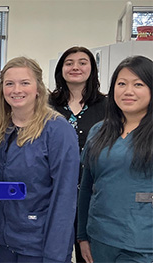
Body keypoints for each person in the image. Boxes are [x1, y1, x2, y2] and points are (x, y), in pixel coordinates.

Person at [0, 56, 79, 262]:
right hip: (2, 242)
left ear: (38, 88)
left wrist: (55, 253)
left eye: (24, 83)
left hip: (39, 245)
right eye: (9, 84)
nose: (16, 90)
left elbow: (64, 196)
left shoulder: (57, 129)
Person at [78, 56, 153, 263]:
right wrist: (82, 235)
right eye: (121, 84)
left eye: (138, 84)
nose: (128, 91)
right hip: (101, 238)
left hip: (143, 244)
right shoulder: (99, 131)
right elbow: (87, 186)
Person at [48, 46, 106, 263]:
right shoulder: (46, 105)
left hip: (92, 196)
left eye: (82, 62)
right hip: (54, 194)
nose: (75, 67)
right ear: (60, 69)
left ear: (92, 68)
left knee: (89, 256)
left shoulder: (107, 105)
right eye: (69, 62)